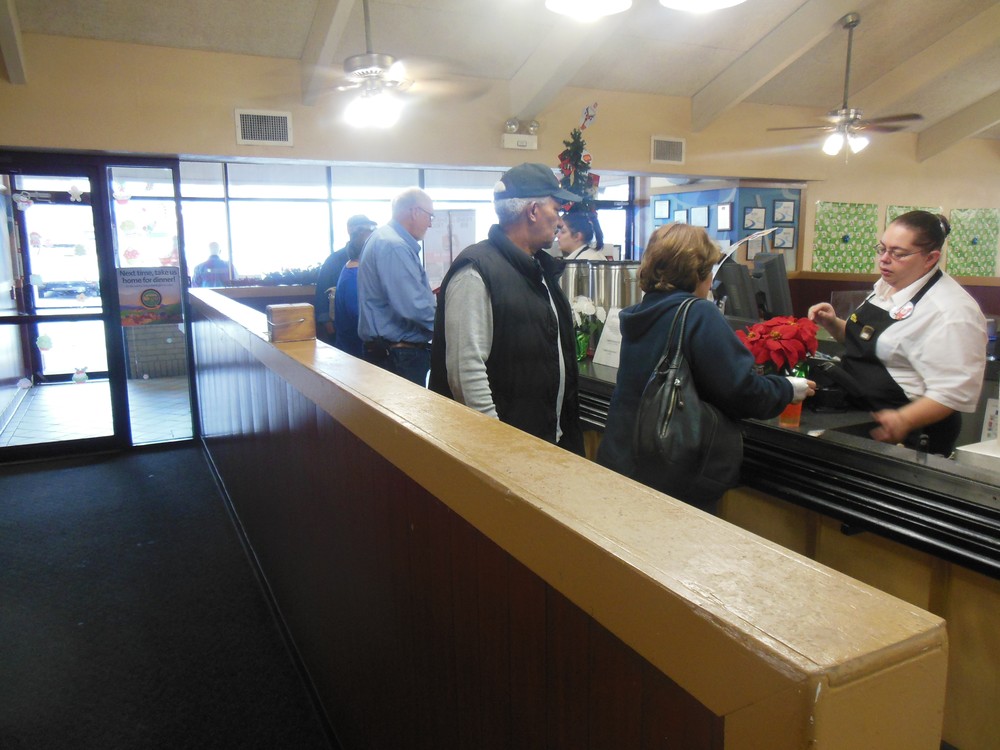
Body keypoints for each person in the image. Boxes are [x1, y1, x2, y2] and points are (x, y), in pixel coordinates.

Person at [596, 223, 814, 513]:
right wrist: (786, 389)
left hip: (623, 460)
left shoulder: (640, 311)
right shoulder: (698, 313)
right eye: (709, 270)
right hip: (670, 473)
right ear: (697, 272)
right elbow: (742, 391)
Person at [429, 162, 586, 456]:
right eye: (556, 209)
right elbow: (466, 374)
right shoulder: (476, 271)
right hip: (504, 453)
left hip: (542, 443)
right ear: (533, 211)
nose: (560, 220)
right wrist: (497, 448)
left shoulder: (538, 268)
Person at [808, 210, 986, 456]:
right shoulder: (888, 285)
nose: (884, 259)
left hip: (911, 437)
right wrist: (834, 324)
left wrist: (904, 419)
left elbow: (954, 393)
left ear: (930, 258)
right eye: (882, 249)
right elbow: (871, 344)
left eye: (898, 253)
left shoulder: (951, 311)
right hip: (859, 416)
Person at [357, 188, 437, 385]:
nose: (430, 223)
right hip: (399, 357)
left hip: (391, 353)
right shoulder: (394, 245)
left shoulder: (383, 237)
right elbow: (414, 306)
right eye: (430, 216)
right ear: (415, 212)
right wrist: (448, 328)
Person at [315, 215, 377, 345]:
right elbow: (322, 292)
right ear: (350, 230)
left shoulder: (373, 261)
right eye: (360, 228)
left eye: (368, 228)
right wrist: (327, 324)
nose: (365, 232)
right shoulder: (336, 260)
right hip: (346, 329)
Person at [333, 237, 364, 358]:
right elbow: (357, 314)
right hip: (355, 348)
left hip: (349, 345)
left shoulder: (349, 268)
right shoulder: (355, 276)